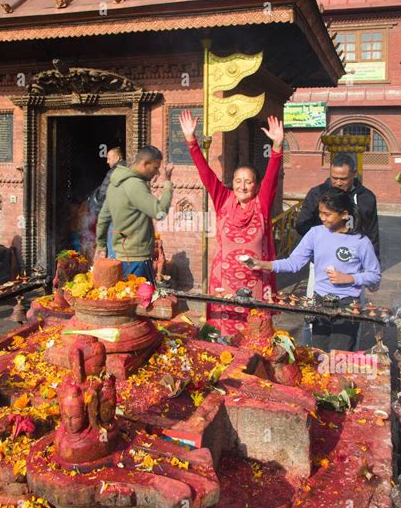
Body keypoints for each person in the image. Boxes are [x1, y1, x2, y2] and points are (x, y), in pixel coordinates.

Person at [179, 109, 283, 337]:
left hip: (255, 284)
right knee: (223, 339)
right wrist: (191, 141)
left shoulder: (261, 204)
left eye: (248, 182)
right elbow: (205, 174)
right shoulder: (223, 200)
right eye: (238, 181)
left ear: (256, 186)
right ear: (232, 183)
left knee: (255, 337)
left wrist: (276, 148)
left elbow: (272, 177)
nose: (242, 186)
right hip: (223, 284)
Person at [249, 189, 381, 352]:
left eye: (327, 214)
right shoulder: (315, 233)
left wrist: (350, 278)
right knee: (319, 353)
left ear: (344, 214)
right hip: (320, 301)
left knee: (339, 355)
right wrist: (263, 265)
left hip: (347, 304)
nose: (322, 218)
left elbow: (374, 275)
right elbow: (294, 262)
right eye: (320, 213)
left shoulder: (361, 241)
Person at [94, 145, 173, 283]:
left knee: (125, 298)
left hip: (119, 257)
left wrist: (101, 245)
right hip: (137, 259)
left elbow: (103, 218)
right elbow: (160, 212)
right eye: (155, 168)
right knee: (139, 301)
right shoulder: (134, 185)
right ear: (144, 163)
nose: (157, 173)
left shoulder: (115, 184)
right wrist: (167, 183)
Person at [89, 146, 127, 257]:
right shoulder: (130, 170)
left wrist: (97, 211)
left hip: (114, 217)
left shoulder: (113, 172)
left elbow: (102, 194)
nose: (107, 161)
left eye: (109, 158)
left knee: (113, 251)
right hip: (128, 217)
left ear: (117, 158)